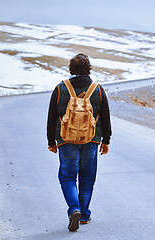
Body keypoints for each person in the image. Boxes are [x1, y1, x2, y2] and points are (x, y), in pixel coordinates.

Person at [47, 53, 112, 231]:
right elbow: (105, 117)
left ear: (71, 69)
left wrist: (51, 141)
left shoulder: (61, 88)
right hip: (91, 140)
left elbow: (52, 116)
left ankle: (73, 208)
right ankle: (84, 215)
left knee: (67, 177)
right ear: (88, 69)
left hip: (66, 140)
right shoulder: (97, 89)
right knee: (87, 178)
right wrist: (106, 140)